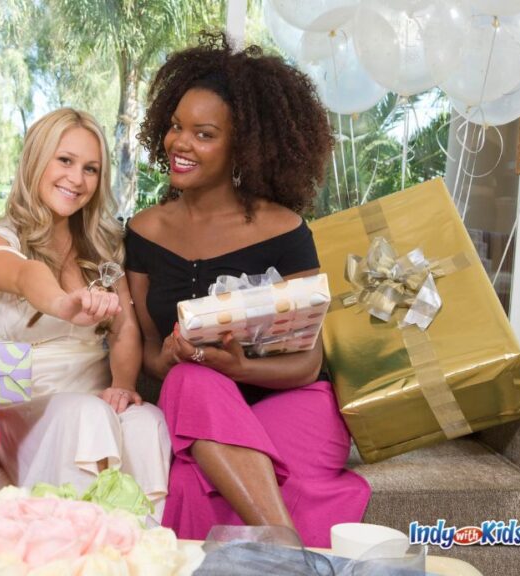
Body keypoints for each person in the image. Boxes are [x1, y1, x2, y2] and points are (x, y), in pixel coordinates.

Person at [124, 32, 370, 546]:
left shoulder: (284, 229)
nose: (180, 144)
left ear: (244, 146)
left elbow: (307, 363)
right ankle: (288, 548)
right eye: (175, 127)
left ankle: (279, 550)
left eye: (204, 133)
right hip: (200, 406)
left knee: (207, 480)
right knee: (190, 383)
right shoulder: (144, 232)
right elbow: (149, 352)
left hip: (291, 399)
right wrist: (170, 354)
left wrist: (242, 368)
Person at [0, 108, 170, 514]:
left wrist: (123, 384)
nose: (77, 179)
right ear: (36, 160)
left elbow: (125, 328)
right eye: (65, 161)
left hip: (91, 398)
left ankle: (138, 553)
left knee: (147, 423)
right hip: (23, 406)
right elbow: (26, 276)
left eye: (91, 169)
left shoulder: (103, 248)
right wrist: (64, 304)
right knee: (83, 414)